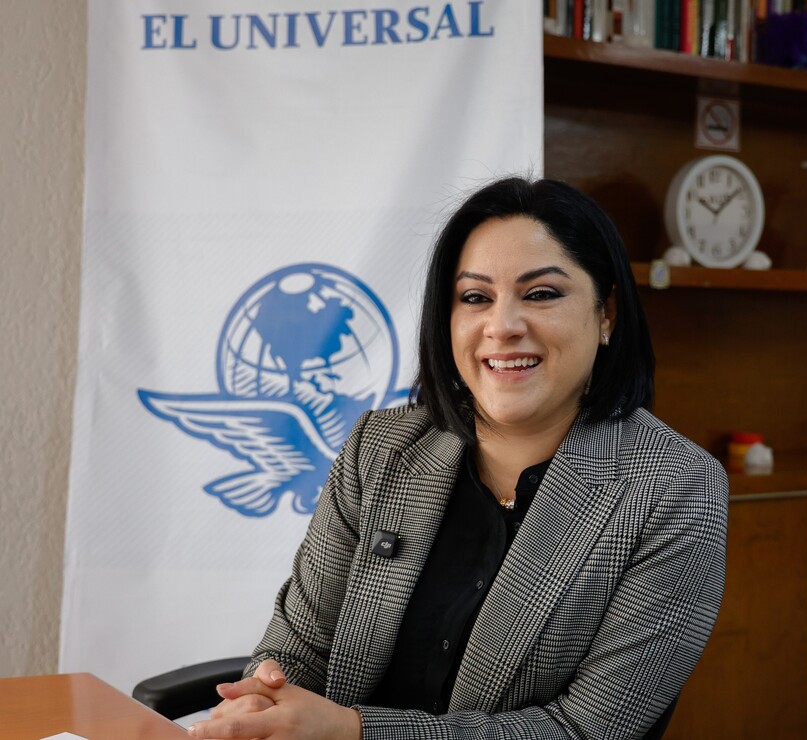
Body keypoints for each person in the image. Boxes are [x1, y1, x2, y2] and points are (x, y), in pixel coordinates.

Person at [187, 178, 730, 739]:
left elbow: (585, 731)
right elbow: (297, 648)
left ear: (606, 313)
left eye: (541, 294)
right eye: (475, 298)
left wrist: (355, 731)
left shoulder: (677, 488)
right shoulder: (381, 447)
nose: (503, 326)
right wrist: (264, 703)